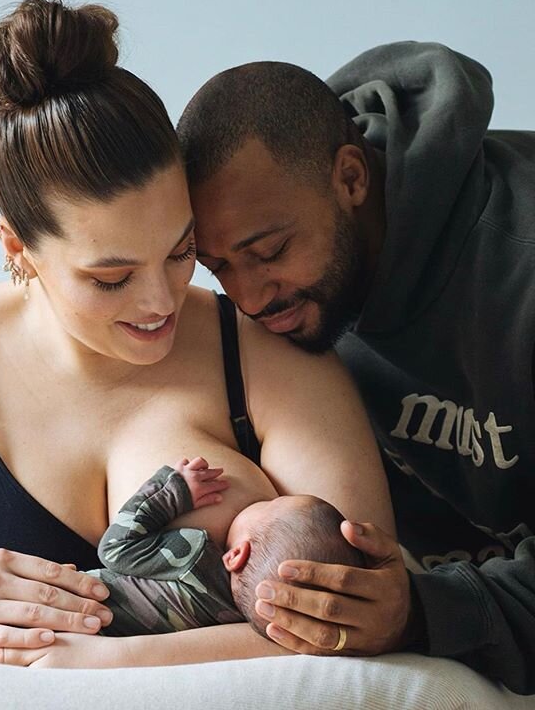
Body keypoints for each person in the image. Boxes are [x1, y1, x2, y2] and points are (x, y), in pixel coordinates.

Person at [0, 0, 394, 671]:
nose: (161, 301)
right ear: (17, 247)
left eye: (181, 250)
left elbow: (366, 615)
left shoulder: (271, 360)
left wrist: (109, 666)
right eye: (112, 277)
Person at [176, 42, 535, 694]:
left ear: (350, 179)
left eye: (271, 251)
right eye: (220, 266)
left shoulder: (519, 266)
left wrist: (428, 611)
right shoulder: (293, 310)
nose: (252, 299)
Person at [84, 456, 362, 637]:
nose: (268, 498)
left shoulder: (193, 558)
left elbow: (114, 549)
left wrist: (172, 491)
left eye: (271, 504)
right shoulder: (239, 621)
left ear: (236, 555)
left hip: (77, 609)